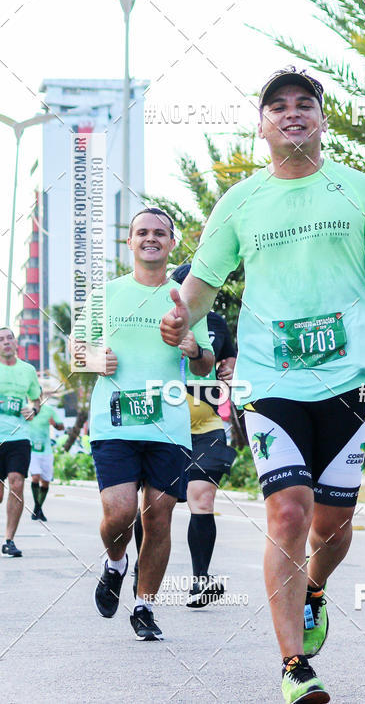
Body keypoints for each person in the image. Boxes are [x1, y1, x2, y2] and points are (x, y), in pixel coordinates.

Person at [160, 67, 365, 703]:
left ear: (322, 120)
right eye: (278, 106)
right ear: (261, 126)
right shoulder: (240, 202)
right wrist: (180, 318)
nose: (292, 112)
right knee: (289, 511)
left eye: (304, 103)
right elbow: (199, 288)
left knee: (333, 526)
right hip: (269, 380)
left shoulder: (357, 190)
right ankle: (294, 666)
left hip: (347, 376)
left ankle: (313, 586)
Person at [81, 208, 213, 640]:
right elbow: (77, 350)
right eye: (142, 232)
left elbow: (206, 366)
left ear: (172, 243)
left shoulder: (186, 300)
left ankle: (144, 606)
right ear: (130, 242)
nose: (150, 238)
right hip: (114, 421)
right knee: (120, 514)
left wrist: (194, 350)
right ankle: (115, 563)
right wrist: (94, 359)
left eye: (159, 232)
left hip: (167, 425)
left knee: (158, 517)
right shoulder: (106, 294)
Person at [172, 263, 237, 608]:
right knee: (153, 507)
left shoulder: (216, 323)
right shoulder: (160, 322)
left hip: (207, 425)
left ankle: (200, 580)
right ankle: (141, 573)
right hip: (164, 426)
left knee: (202, 499)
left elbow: (229, 360)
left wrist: (231, 367)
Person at [0, 326, 42, 557]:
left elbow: (36, 399)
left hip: (19, 437)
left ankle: (9, 540)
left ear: (16, 343)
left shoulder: (28, 370)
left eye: (9, 338)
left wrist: (33, 410)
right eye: (1, 339)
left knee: (16, 484)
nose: (6, 342)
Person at [29, 399, 65, 521]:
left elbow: (61, 427)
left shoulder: (49, 410)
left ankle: (37, 509)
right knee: (35, 477)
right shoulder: (26, 409)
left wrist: (54, 424)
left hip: (46, 451)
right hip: (32, 450)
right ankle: (37, 508)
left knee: (45, 481)